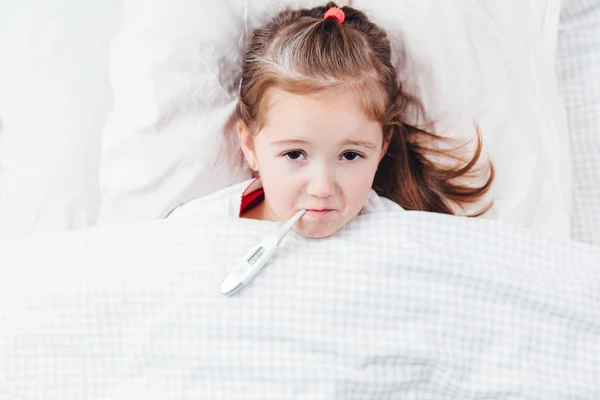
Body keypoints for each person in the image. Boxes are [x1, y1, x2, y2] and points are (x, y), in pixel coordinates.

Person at [168, 2, 494, 239]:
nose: (322, 188)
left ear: (383, 147)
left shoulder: (402, 239)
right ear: (249, 145)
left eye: (350, 155)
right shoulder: (197, 231)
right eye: (294, 154)